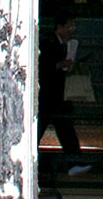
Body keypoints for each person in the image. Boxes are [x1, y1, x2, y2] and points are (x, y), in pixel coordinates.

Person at [38, 13, 91, 176]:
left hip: (58, 96)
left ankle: (75, 162)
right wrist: (60, 64)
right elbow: (43, 67)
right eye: (69, 26)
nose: (71, 30)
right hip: (49, 95)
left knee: (64, 128)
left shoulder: (63, 44)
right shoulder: (48, 43)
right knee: (51, 127)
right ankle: (74, 162)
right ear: (59, 27)